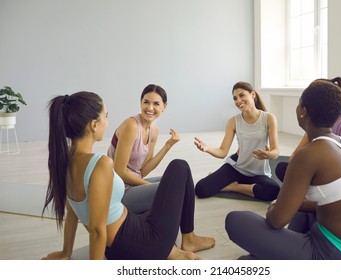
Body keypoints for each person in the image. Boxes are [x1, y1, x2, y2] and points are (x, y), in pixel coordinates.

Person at [42, 91, 215, 260]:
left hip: (117, 247)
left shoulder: (65, 160)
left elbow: (72, 214)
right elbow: (96, 230)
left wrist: (66, 252)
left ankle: (172, 251)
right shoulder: (100, 164)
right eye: (106, 116)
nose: (108, 123)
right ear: (94, 125)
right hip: (142, 245)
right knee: (180, 167)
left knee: (155, 206)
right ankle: (188, 240)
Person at [225, 79, 341, 260]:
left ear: (302, 111)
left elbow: (276, 220)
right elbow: (333, 202)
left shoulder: (309, 154)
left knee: (236, 221)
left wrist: (275, 205)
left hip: (337, 257)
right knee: (299, 211)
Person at [275, 77, 341, 188]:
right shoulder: (316, 125)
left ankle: (309, 199)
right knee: (285, 169)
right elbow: (294, 157)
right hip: (331, 177)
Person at [194, 81, 280, 201]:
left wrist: (269, 154)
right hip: (237, 167)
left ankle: (233, 186)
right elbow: (222, 152)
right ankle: (241, 185)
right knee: (201, 189)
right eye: (235, 98)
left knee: (273, 190)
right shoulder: (233, 121)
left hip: (258, 172)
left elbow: (276, 151)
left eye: (242, 95)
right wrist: (207, 149)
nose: (238, 100)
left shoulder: (269, 118)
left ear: (253, 94)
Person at [107, 84, 180, 213]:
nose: (150, 108)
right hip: (119, 191)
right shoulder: (131, 126)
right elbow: (119, 171)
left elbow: (144, 171)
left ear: (164, 106)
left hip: (134, 184)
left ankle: (187, 232)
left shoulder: (154, 130)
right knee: (170, 189)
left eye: (156, 104)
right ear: (140, 103)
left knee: (177, 180)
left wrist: (168, 146)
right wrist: (149, 185)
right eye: (146, 102)